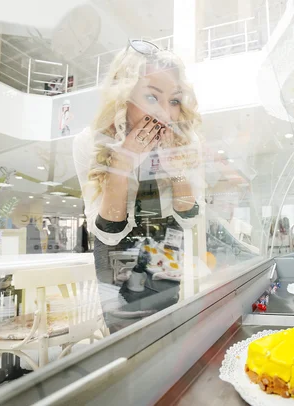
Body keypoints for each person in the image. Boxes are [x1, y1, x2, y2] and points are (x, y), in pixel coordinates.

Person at [73, 40, 203, 331]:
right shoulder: (91, 143)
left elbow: (189, 216)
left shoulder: (185, 142)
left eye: (174, 101)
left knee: (166, 329)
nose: (166, 115)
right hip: (116, 252)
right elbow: (107, 230)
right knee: (124, 336)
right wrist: (121, 165)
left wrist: (176, 170)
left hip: (167, 244)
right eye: (152, 97)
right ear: (124, 96)